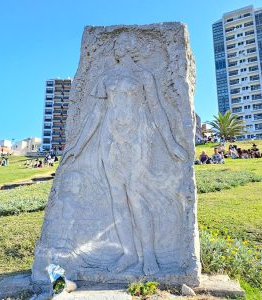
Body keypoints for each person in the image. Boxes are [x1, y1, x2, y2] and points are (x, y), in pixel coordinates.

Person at [60, 32, 188, 276]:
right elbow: (96, 115)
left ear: (133, 48)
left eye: (123, 43)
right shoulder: (106, 78)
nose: (118, 46)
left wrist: (171, 143)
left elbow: (156, 109)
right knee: (117, 198)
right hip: (110, 142)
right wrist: (77, 146)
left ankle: (149, 254)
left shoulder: (144, 75)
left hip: (137, 141)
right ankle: (129, 253)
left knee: (136, 197)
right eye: (117, 43)